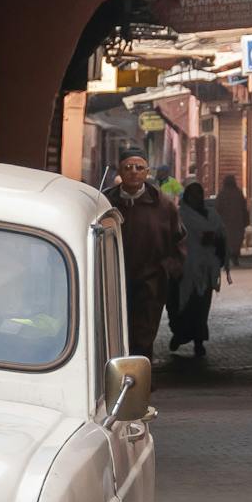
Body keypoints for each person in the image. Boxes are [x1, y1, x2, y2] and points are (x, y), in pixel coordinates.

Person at [105, 151, 185, 360]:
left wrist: (168, 269)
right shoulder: (105, 203)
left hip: (150, 282)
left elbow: (179, 241)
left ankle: (140, 384)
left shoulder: (163, 205)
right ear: (120, 171)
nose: (133, 172)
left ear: (147, 172)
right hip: (111, 281)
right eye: (128, 167)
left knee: (143, 335)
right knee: (112, 332)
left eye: (139, 168)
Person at [167, 182, 227, 356]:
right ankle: (178, 334)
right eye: (192, 195)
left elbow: (221, 238)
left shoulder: (210, 216)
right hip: (182, 270)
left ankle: (198, 342)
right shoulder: (179, 216)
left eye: (198, 195)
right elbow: (170, 238)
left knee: (200, 308)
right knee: (177, 305)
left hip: (203, 271)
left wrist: (213, 246)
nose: (196, 199)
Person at [214, 175, 250, 266]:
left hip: (225, 222)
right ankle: (235, 256)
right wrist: (246, 220)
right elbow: (244, 208)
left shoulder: (222, 194)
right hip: (238, 223)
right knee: (237, 240)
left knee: (226, 240)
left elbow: (217, 209)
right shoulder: (238, 193)